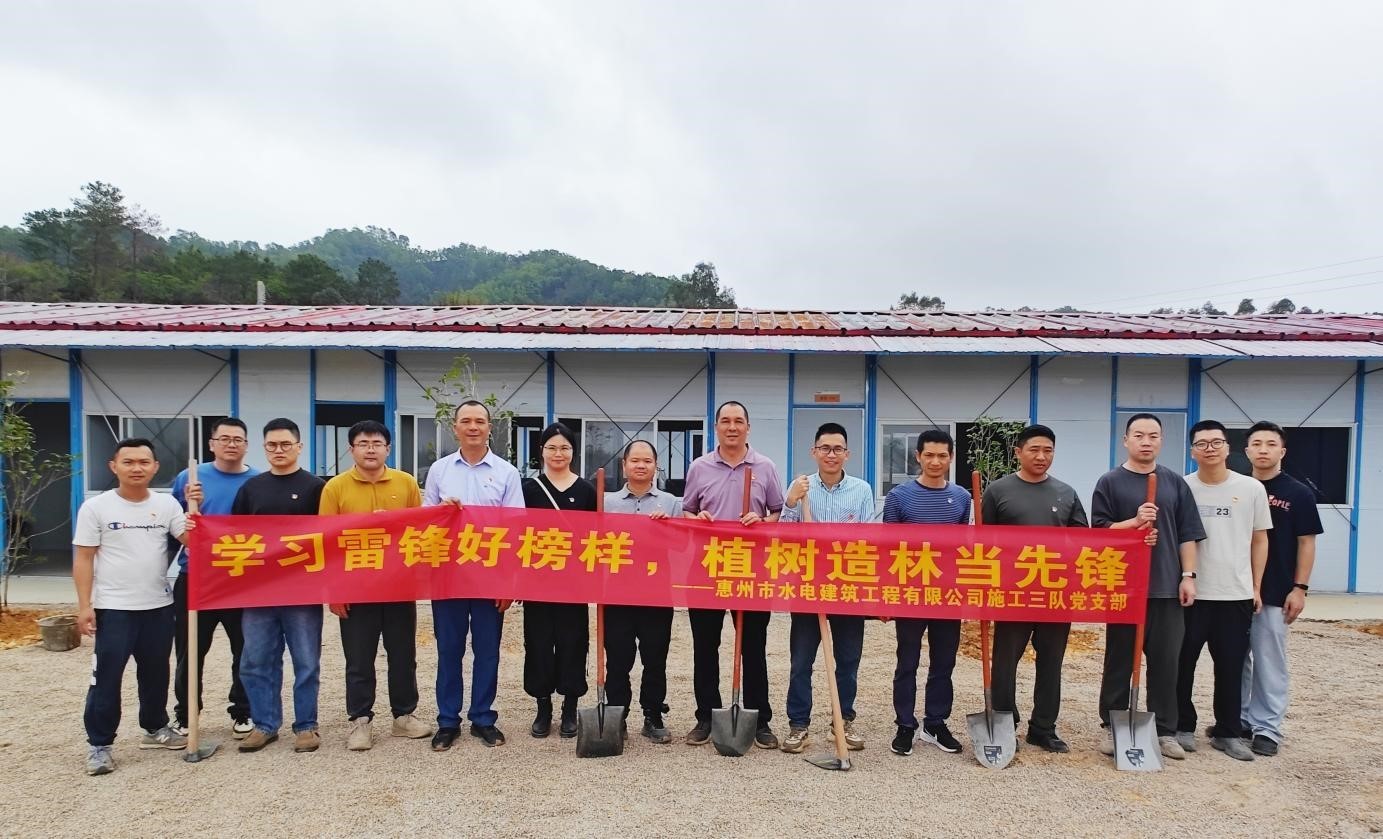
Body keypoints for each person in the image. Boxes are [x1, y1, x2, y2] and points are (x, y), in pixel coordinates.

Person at [74, 438, 189, 775]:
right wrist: (84, 605)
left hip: (158, 605)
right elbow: (83, 558)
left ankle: (155, 727)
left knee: (155, 673)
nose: (137, 468)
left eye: (144, 462)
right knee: (106, 677)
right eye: (129, 462)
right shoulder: (96, 507)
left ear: (155, 467)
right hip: (114, 608)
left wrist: (196, 510)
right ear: (114, 466)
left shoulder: (167, 505)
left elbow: (191, 540)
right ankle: (99, 744)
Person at [1094, 413, 1205, 761]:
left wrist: (1188, 576)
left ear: (1161, 440)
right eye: (1139, 435)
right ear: (1126, 440)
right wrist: (1134, 523)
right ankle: (1112, 724)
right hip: (1124, 588)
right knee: (1119, 660)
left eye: (1153, 436)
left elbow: (1188, 534)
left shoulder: (1174, 483)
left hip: (1166, 587)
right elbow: (1098, 532)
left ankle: (1165, 730)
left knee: (1166, 662)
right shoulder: (1110, 482)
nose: (1146, 441)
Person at [321, 420, 432, 750]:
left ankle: (404, 716)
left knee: (403, 655)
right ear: (351, 449)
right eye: (363, 443)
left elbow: (419, 531)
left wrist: (392, 523)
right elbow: (325, 541)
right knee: (359, 658)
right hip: (355, 589)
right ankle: (360, 720)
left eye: (377, 443)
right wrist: (333, 591)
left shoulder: (405, 482)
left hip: (398, 586)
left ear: (388, 449)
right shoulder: (335, 488)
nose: (370, 449)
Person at [681, 401, 785, 749]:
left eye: (738, 421)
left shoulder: (765, 467)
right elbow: (688, 511)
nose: (732, 427)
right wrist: (699, 520)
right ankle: (706, 717)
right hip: (707, 568)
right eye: (725, 421)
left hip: (751, 569)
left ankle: (759, 719)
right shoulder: (699, 467)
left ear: (748, 428)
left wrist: (762, 521)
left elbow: (777, 513)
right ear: (716, 427)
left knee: (753, 647)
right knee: (705, 647)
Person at [982, 424, 1088, 754]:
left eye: (1048, 451)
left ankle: (1043, 728)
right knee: (1005, 662)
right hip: (1012, 593)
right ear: (1018, 452)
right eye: (1034, 450)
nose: (1041, 456)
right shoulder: (998, 491)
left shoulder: (1066, 493)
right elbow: (983, 543)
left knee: (1051, 662)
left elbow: (1084, 541)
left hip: (1055, 593)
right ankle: (1003, 723)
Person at [424, 400, 523, 750]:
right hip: (448, 576)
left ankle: (483, 717)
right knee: (449, 650)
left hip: (489, 577)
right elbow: (424, 523)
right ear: (455, 428)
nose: (473, 427)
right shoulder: (439, 470)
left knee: (487, 651)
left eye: (480, 421)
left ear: (489, 428)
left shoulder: (507, 473)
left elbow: (515, 529)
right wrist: (441, 512)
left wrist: (508, 581)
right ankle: (447, 721)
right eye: (465, 421)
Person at [777, 422, 876, 754]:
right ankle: (798, 725)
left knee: (848, 660)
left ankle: (842, 720)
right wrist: (791, 503)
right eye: (825, 448)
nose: (831, 454)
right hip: (808, 587)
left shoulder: (862, 490)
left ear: (847, 454)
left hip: (848, 587)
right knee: (801, 661)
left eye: (837, 449)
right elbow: (784, 537)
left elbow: (869, 539)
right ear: (814, 452)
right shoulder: (801, 488)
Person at [1176, 420, 1271, 761]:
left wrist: (1256, 587)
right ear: (1192, 451)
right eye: (1202, 443)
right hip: (1192, 594)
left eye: (1217, 442)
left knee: (1231, 667)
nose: (1210, 449)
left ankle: (1228, 732)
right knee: (1182, 663)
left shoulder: (1250, 488)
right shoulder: (1182, 487)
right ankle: (1182, 726)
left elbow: (1260, 539)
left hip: (1235, 594)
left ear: (1228, 448)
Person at [232, 418, 327, 753]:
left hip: (302, 591)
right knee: (255, 661)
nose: (279, 450)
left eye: (286, 444)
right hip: (259, 592)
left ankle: (306, 726)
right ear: (264, 448)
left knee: (306, 661)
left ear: (299, 447)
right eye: (272, 445)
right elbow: (233, 536)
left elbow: (331, 535)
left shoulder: (316, 487)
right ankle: (265, 724)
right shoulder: (251, 489)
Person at [883, 428, 970, 757]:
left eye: (942, 455)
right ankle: (905, 724)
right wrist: (888, 595)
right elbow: (888, 550)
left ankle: (935, 723)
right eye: (929, 455)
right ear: (917, 456)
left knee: (944, 662)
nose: (935, 461)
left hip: (948, 594)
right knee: (907, 661)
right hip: (910, 593)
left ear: (951, 458)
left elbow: (963, 547)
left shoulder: (961, 497)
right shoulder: (899, 497)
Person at [170, 418, 258, 737]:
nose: (231, 444)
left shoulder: (257, 481)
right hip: (196, 576)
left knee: (245, 650)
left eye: (238, 439)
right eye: (224, 438)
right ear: (212, 444)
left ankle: (243, 710)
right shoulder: (190, 478)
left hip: (240, 577)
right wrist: (187, 504)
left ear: (246, 445)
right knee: (190, 649)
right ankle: (186, 713)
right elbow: (174, 523)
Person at [1240, 421, 1323, 757]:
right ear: (1246, 450)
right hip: (1235, 589)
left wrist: (1299, 588)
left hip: (1276, 590)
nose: (1263, 450)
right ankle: (1239, 719)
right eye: (1257, 443)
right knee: (1235, 659)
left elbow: (1307, 543)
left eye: (1271, 444)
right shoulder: (1238, 487)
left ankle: (1267, 728)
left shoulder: (1298, 493)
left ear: (1282, 451)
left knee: (1269, 660)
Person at [602, 439, 682, 744]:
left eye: (647, 461)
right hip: (617, 592)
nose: (641, 466)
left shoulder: (670, 503)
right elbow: (594, 542)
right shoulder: (606, 502)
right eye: (634, 460)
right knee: (618, 658)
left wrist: (667, 527)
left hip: (656, 592)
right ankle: (617, 715)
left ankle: (653, 714)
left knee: (655, 657)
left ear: (655, 467)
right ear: (624, 466)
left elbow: (682, 546)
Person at [520, 422, 596, 739]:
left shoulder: (587, 491)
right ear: (542, 451)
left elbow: (596, 537)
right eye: (551, 447)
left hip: (573, 585)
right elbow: (515, 534)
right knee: (538, 643)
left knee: (573, 642)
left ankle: (569, 705)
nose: (558, 453)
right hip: (537, 582)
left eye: (564, 447)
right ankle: (543, 706)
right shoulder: (528, 489)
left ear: (573, 452)